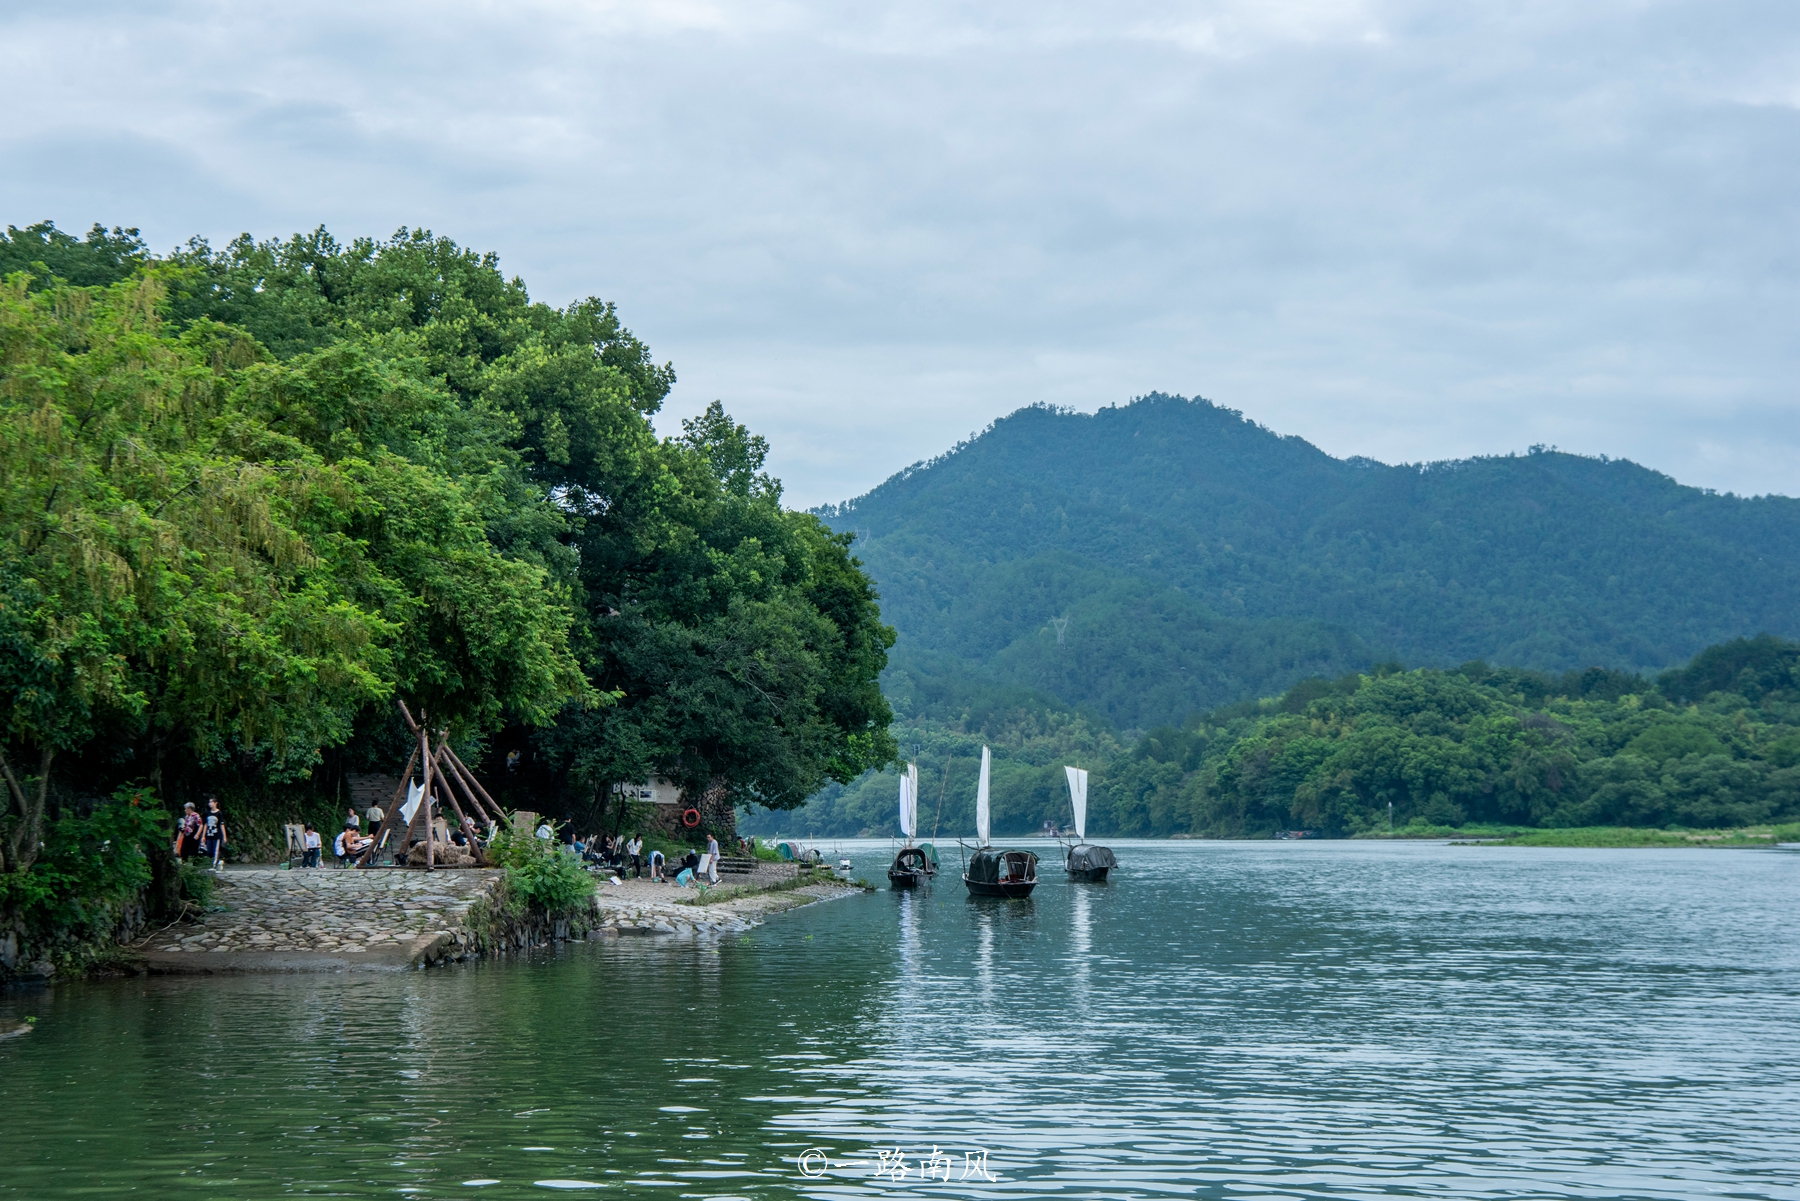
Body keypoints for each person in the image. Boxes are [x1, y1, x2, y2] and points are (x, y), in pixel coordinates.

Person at [202, 797, 228, 869]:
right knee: (209, 850)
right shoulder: (208, 813)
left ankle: (214, 864)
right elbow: (205, 824)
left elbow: (221, 824)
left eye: (211, 802)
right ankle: (217, 862)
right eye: (209, 802)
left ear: (215, 803)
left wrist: (224, 836)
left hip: (216, 834)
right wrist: (203, 836)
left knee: (215, 850)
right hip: (209, 834)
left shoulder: (219, 813)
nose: (210, 804)